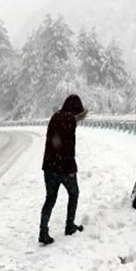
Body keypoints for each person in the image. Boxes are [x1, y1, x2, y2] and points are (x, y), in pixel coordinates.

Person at [39, 94, 88, 245]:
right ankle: (69, 226)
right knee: (74, 194)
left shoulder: (55, 117)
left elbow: (52, 142)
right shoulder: (70, 120)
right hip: (63, 168)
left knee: (50, 198)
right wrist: (71, 168)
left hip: (49, 167)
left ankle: (43, 232)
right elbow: (69, 146)